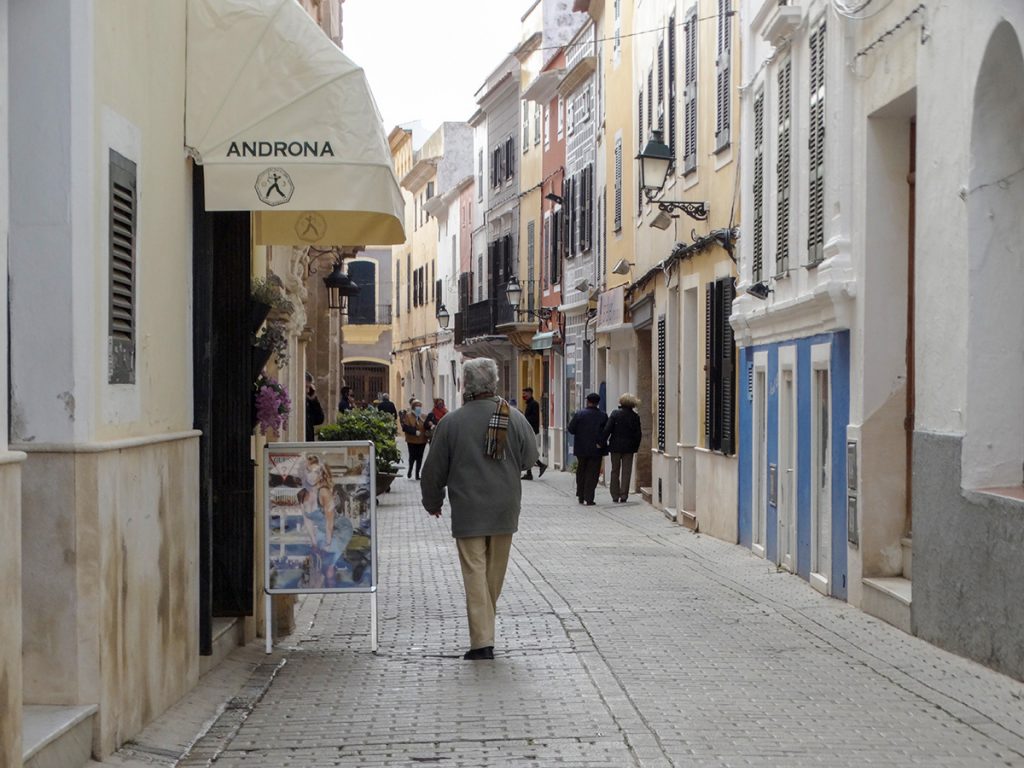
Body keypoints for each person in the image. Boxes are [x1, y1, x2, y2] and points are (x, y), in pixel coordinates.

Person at [420, 358, 538, 660]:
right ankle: (485, 634)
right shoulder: (514, 417)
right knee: (493, 576)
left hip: (468, 510)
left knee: (475, 573)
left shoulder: (451, 423)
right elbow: (529, 459)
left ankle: (482, 642)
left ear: (465, 386)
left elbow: (433, 470)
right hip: (505, 509)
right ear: (494, 384)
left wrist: (433, 502)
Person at [299, 454, 353, 587]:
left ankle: (332, 579)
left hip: (338, 528)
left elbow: (330, 521)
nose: (312, 475)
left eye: (316, 472)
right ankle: (329, 579)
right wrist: (313, 541)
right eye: (309, 471)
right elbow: (308, 520)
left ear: (321, 474)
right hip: (323, 531)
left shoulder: (324, 493)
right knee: (318, 558)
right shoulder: (301, 495)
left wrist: (328, 542)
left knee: (328, 560)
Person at [567, 392, 608, 506]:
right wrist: (600, 442)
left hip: (581, 448)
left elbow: (571, 429)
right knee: (593, 473)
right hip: (596, 448)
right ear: (598, 403)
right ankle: (589, 497)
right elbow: (606, 432)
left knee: (581, 471)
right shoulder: (603, 415)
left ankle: (580, 495)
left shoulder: (580, 414)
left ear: (588, 401)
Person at [602, 393, 642, 502]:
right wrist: (636, 447)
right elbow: (638, 434)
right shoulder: (635, 417)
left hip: (615, 446)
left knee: (615, 470)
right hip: (629, 448)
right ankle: (624, 495)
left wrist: (602, 441)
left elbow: (607, 429)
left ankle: (615, 495)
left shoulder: (615, 414)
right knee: (626, 471)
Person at [520, 387, 548, 480]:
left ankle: (540, 466)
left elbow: (534, 418)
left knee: (530, 451)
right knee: (528, 451)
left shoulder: (534, 404)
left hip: (532, 431)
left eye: (525, 394)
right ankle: (530, 472)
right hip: (529, 430)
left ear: (530, 393)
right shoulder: (529, 404)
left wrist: (524, 420)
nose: (524, 396)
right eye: (523, 394)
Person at [401, 398, 429, 479]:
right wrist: (414, 432)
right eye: (417, 406)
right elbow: (405, 427)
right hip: (412, 440)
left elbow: (426, 425)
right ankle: (410, 469)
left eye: (420, 406)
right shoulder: (408, 416)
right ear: (413, 407)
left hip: (422, 440)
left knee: (420, 457)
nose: (418, 408)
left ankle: (417, 474)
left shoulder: (423, 416)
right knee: (412, 456)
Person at [305, 372, 325, 442]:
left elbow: (319, 419)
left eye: (309, 387)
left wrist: (314, 400)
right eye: (306, 387)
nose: (307, 391)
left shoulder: (309, 403)